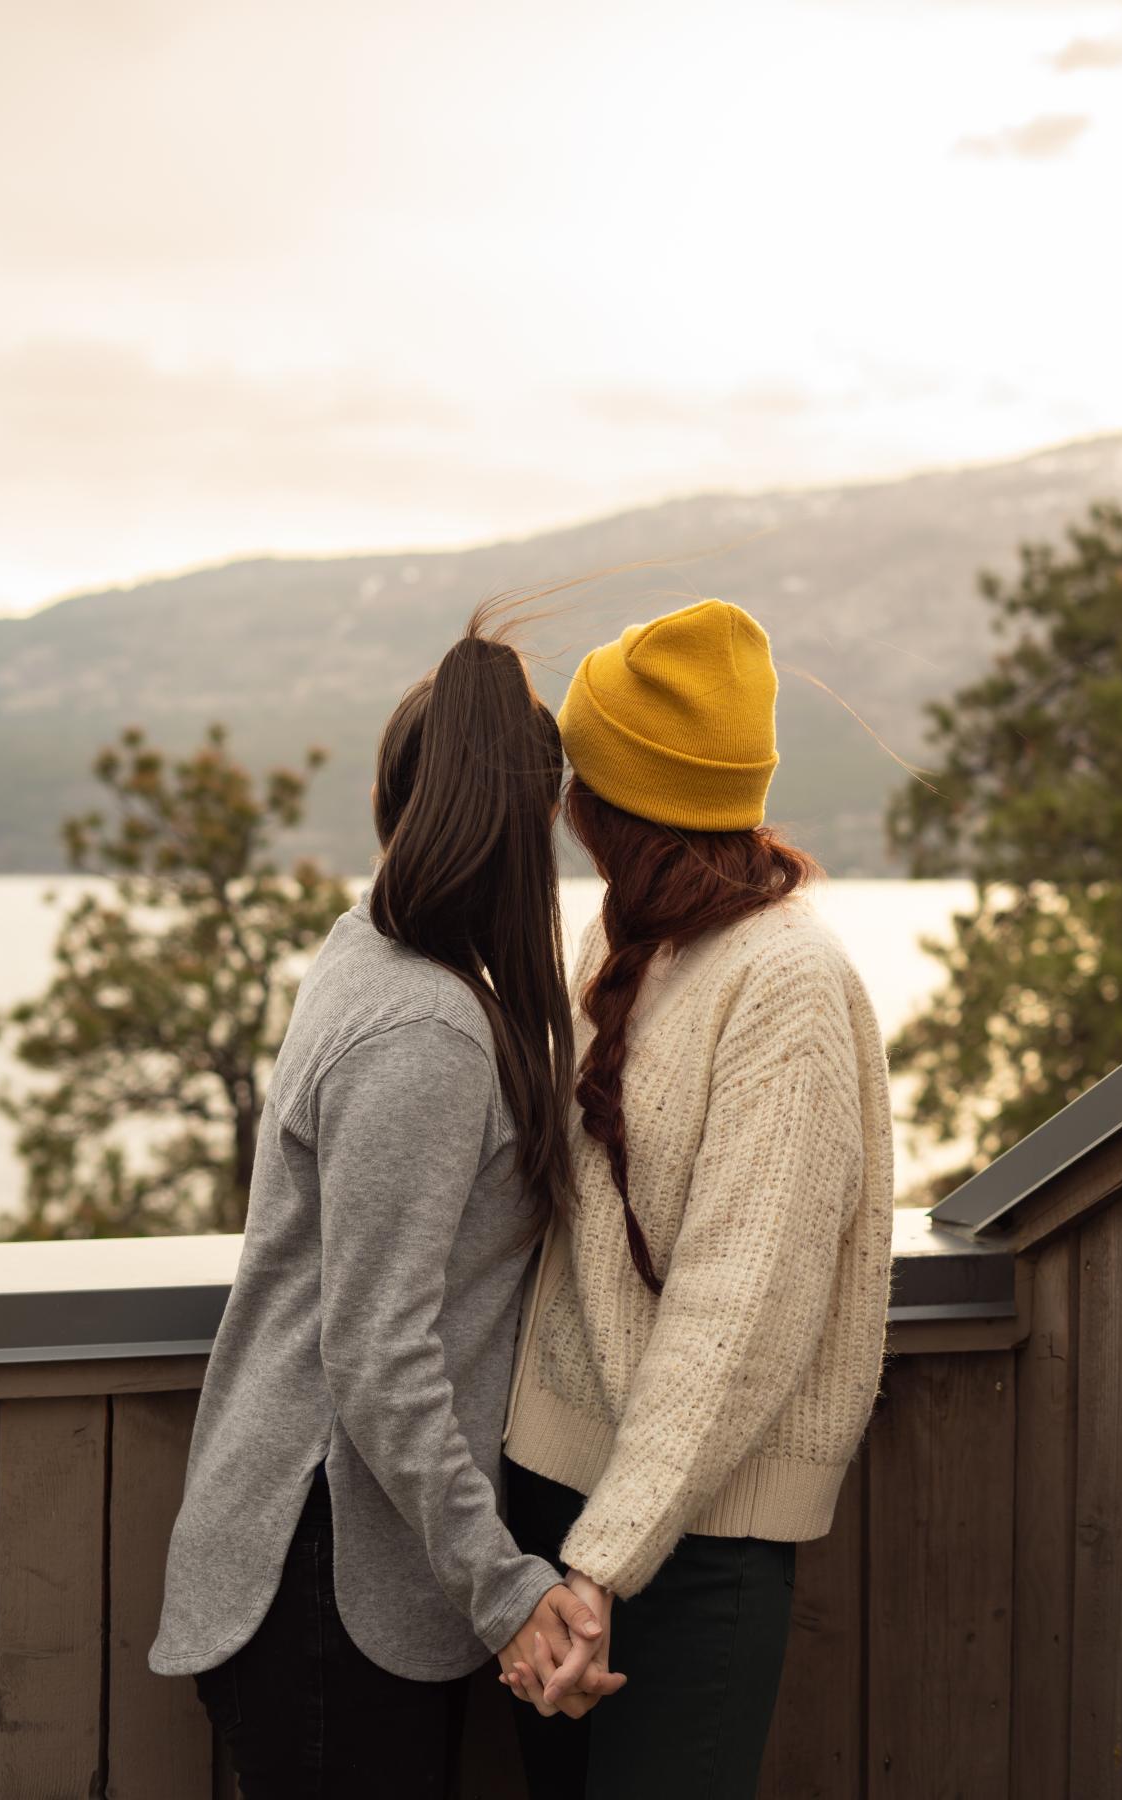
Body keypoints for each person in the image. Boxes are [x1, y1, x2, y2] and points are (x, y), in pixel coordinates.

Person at [150, 605, 624, 1797]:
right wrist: (505, 1585)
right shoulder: (425, 1031)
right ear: (527, 834)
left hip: (337, 1576)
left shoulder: (363, 954)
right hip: (326, 1585)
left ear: (396, 804)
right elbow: (377, 1353)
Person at [498, 598, 895, 1798]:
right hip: (551, 1519)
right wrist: (543, 1561)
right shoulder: (631, 946)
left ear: (603, 803)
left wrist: (601, 1568)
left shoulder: (785, 981)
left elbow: (742, 1308)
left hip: (695, 1549)